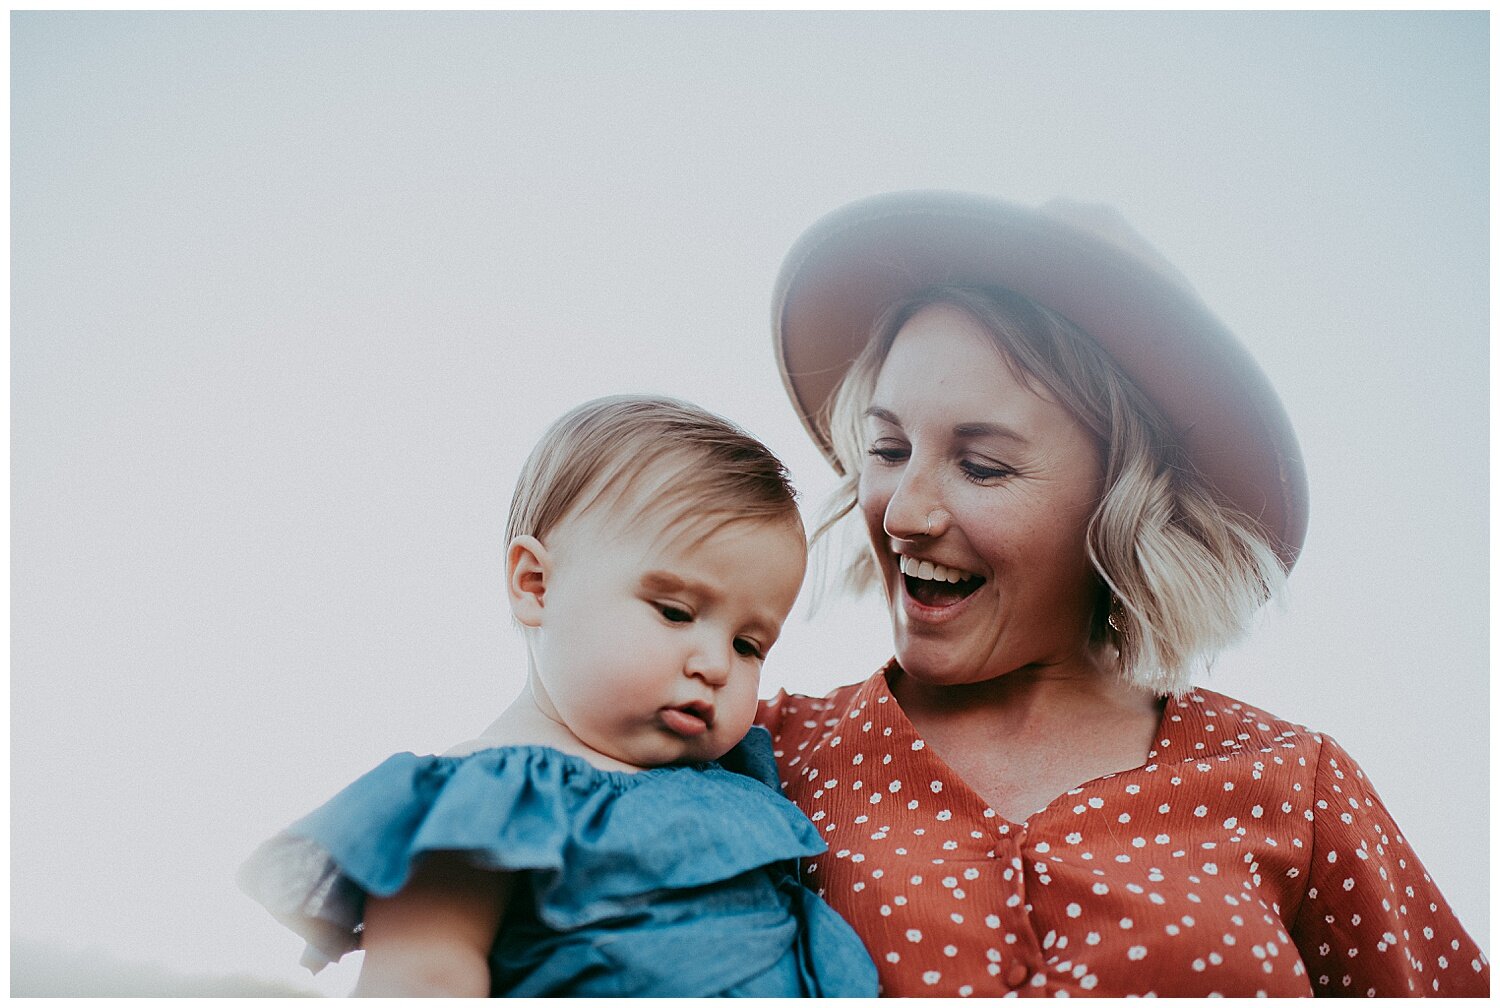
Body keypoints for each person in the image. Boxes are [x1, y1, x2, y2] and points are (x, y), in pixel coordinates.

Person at [756, 190, 1489, 997]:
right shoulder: (763, 756)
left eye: (982, 466)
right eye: (888, 448)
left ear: (1124, 503)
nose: (903, 512)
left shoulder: (1294, 786)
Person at [238, 394, 878, 997]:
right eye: (676, 612)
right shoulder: (483, 801)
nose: (715, 664)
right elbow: (424, 979)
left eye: (749, 645)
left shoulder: (736, 785)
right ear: (536, 584)